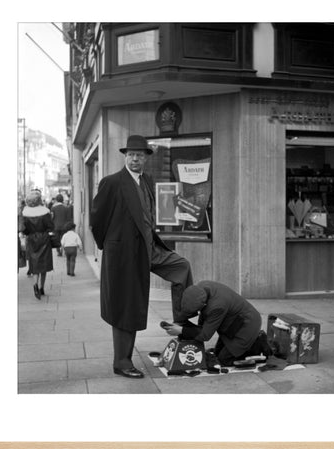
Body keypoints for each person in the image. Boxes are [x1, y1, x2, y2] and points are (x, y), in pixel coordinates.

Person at [90, 134, 193, 379]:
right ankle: (122, 362)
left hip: (150, 249)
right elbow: (97, 220)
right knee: (127, 306)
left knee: (181, 267)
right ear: (125, 156)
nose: (135, 158)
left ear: (146, 158)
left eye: (139, 155)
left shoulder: (146, 180)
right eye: (131, 154)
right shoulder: (112, 182)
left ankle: (181, 325)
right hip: (124, 255)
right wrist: (113, 247)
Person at [164, 280, 272, 367]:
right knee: (216, 354)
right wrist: (181, 325)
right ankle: (248, 344)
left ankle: (258, 343)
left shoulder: (217, 306)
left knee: (224, 360)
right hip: (232, 325)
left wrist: (181, 330)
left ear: (204, 304)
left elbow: (205, 335)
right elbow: (202, 326)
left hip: (247, 325)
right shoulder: (201, 289)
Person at [22, 191, 54, 300]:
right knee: (44, 263)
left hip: (32, 239)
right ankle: (42, 287)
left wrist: (30, 233)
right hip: (44, 239)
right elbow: (50, 226)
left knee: (34, 263)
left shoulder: (25, 212)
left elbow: (24, 229)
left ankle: (35, 284)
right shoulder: (45, 212)